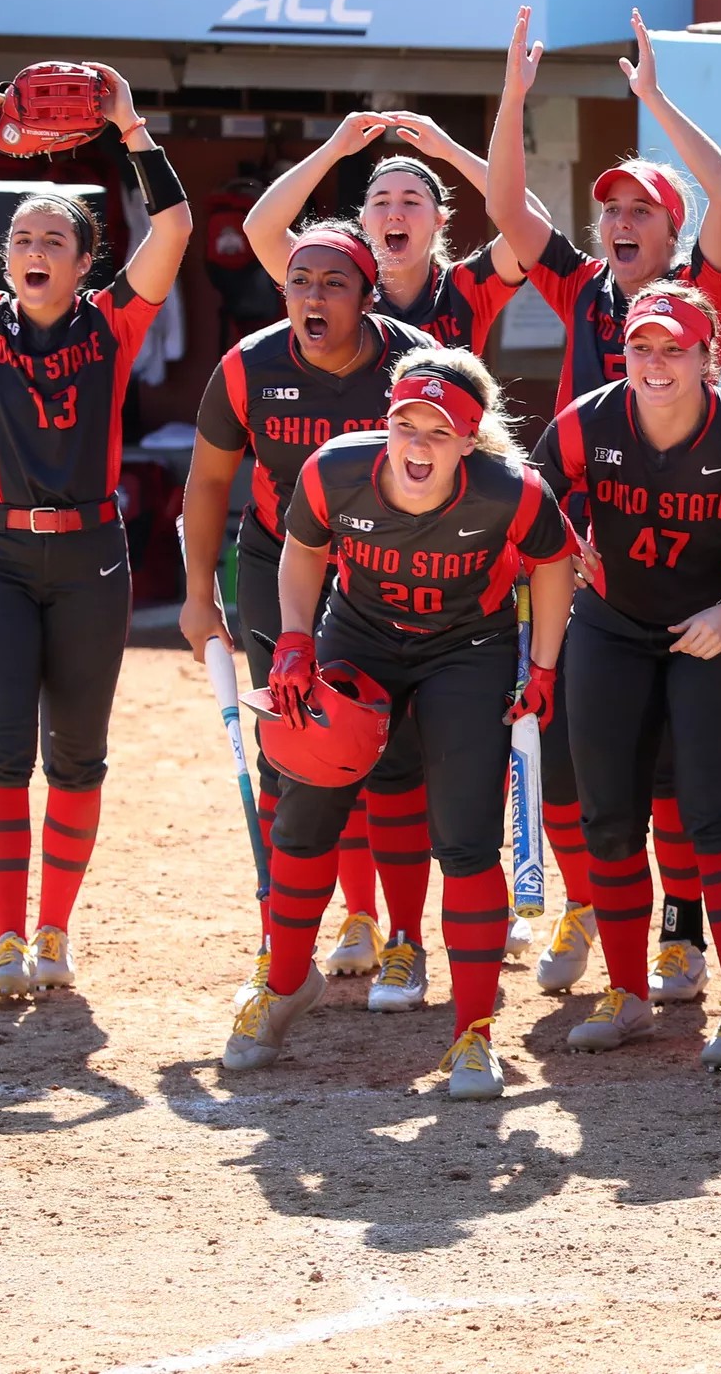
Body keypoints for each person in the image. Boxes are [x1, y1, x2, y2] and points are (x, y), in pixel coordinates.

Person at [0, 65, 192, 1005]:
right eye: (21, 235)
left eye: (52, 237)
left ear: (81, 259)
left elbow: (173, 228)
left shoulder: (114, 321)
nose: (32, 245)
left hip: (93, 558)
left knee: (78, 758)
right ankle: (6, 937)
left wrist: (133, 132)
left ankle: (55, 929)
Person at [221, 349, 576, 1100]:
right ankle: (285, 984)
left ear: (469, 442)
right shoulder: (333, 471)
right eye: (404, 424)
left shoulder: (510, 491)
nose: (417, 444)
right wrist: (294, 636)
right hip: (361, 632)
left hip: (467, 647)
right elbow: (303, 550)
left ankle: (474, 1033)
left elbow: (553, 564)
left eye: (438, 432)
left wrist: (541, 666)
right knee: (308, 805)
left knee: (465, 838)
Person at [485, 6, 721, 997]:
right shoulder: (585, 286)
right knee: (563, 751)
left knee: (675, 767)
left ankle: (679, 926)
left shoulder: (698, 295)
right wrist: (513, 97)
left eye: (641, 210)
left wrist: (654, 99)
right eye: (613, 211)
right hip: (577, 558)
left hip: (681, 558)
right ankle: (588, 902)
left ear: (670, 232)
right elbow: (509, 210)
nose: (621, 224)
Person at [179, 223, 438, 1004]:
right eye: (300, 281)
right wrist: (199, 593)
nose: (313, 296)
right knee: (292, 743)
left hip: (388, 562)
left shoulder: (413, 362)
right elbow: (207, 481)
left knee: (387, 747)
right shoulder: (248, 365)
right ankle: (285, 936)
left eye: (333, 282)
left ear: (367, 293)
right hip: (276, 557)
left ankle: (401, 937)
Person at [533, 286, 721, 1071]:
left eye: (673, 348)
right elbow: (529, 501)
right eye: (642, 347)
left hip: (705, 628)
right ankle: (626, 992)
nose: (655, 363)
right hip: (611, 625)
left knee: (714, 816)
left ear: (707, 356)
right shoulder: (586, 419)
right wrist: (565, 546)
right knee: (609, 818)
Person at [242, 108, 535, 354]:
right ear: (364, 221)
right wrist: (333, 151)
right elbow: (260, 229)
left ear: (439, 219)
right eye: (381, 202)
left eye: (411, 201)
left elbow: (533, 224)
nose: (395, 212)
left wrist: (452, 153)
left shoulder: (466, 287)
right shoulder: (339, 283)